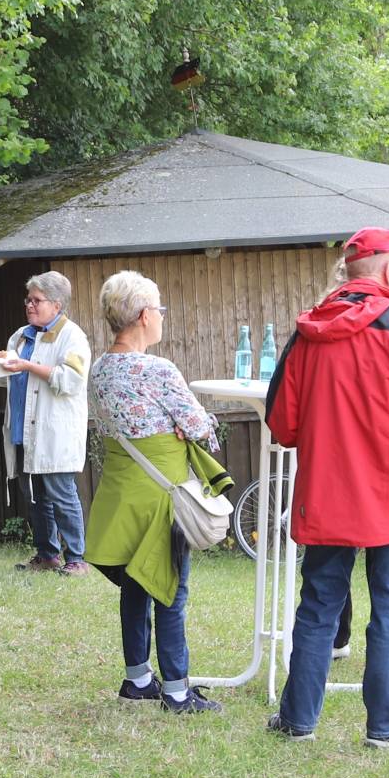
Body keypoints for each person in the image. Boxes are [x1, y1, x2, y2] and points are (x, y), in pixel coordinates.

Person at [263, 227, 389, 746]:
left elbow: (282, 424)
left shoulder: (308, 332)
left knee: (318, 607)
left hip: (325, 497)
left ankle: (297, 721)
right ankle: (384, 728)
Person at [84, 269, 228, 714]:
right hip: (162, 496)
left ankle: (138, 679)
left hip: (121, 494)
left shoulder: (100, 369)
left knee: (135, 584)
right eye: (160, 309)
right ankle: (178, 692)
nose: (163, 316)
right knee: (170, 591)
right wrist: (189, 429)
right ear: (145, 315)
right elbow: (200, 427)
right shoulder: (158, 370)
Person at [0, 271, 92, 576]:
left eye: (37, 300)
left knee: (61, 495)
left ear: (57, 304)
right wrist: (5, 365)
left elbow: (71, 380)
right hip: (22, 429)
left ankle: (77, 558)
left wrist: (26, 365)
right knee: (34, 496)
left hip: (54, 431)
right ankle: (47, 555)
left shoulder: (72, 337)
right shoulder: (21, 336)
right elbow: (6, 380)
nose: (29, 305)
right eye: (28, 299)